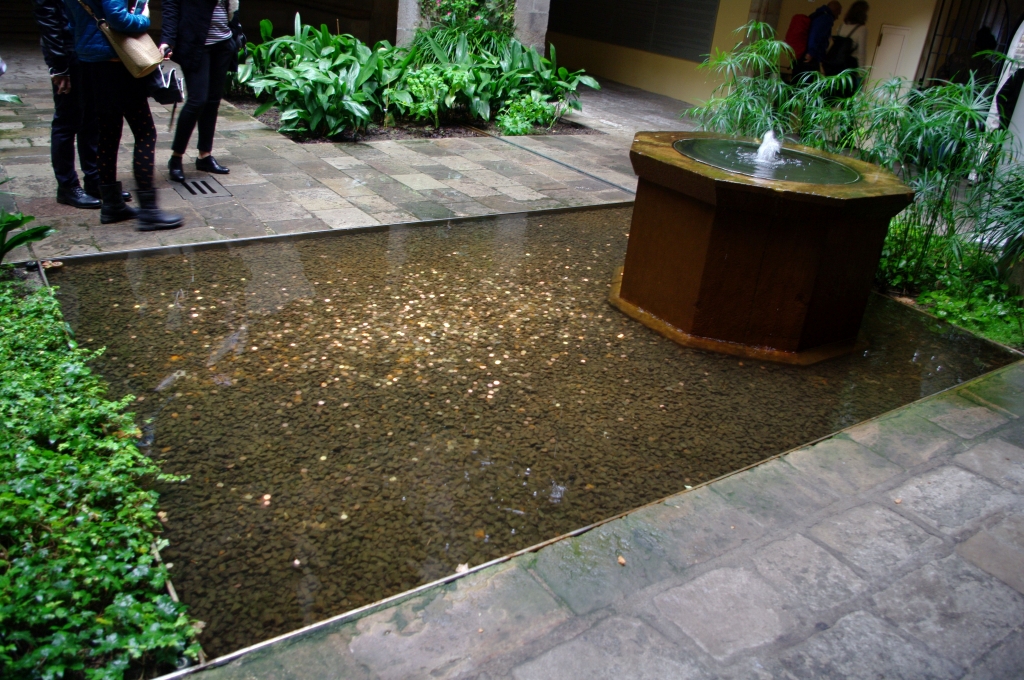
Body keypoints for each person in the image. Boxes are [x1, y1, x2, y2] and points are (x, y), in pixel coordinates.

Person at [63, 0, 182, 230]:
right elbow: (118, 18)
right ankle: (149, 211)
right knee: (145, 132)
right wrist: (144, 18)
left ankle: (112, 205)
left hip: (91, 62)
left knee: (108, 134)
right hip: (117, 62)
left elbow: (71, 20)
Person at [160, 0, 240, 183]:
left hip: (223, 42)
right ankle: (176, 158)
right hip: (195, 43)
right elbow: (171, 6)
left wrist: (234, 33)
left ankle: (205, 156)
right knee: (197, 100)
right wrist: (167, 40)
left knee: (212, 101)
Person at [33, 0, 101, 209]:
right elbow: (48, 20)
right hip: (67, 51)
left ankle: (94, 180)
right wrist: (59, 66)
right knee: (67, 120)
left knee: (91, 117)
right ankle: (67, 186)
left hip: (84, 48)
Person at [795, 2, 842, 80]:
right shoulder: (826, 18)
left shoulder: (817, 14)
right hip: (811, 57)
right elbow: (815, 34)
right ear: (836, 10)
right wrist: (811, 52)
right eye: (838, 13)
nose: (837, 17)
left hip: (803, 54)